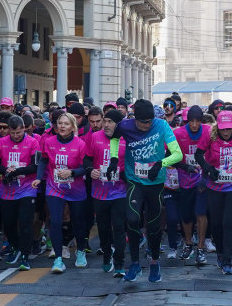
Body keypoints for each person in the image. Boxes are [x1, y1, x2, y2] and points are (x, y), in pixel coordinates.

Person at [112, 99, 184, 283]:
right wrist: (113, 159)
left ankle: (154, 261)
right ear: (135, 119)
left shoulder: (161, 125)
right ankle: (135, 263)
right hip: (135, 180)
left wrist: (161, 163)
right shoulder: (125, 126)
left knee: (153, 225)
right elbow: (114, 137)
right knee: (133, 219)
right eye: (144, 122)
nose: (147, 125)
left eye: (150, 121)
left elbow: (178, 154)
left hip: (155, 182)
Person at [196, 110, 232, 275]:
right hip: (215, 186)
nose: (225, 132)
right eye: (222, 129)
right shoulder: (210, 137)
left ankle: (227, 260)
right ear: (217, 127)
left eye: (228, 128)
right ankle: (220, 253)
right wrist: (208, 169)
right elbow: (198, 155)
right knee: (217, 223)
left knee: (228, 222)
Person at [38, 112, 92, 273]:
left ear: (73, 127)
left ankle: (81, 251)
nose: (62, 126)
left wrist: (72, 173)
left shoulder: (80, 144)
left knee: (78, 222)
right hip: (55, 187)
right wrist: (39, 177)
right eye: (60, 123)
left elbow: (86, 168)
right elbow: (43, 160)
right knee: (55, 221)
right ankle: (59, 258)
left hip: (76, 189)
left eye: (66, 124)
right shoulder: (48, 142)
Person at [0, 115, 41, 271]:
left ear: (23, 128)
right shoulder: (2, 142)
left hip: (27, 189)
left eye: (18, 133)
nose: (15, 136)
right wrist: (6, 171)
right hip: (8, 191)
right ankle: (15, 246)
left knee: (25, 223)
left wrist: (17, 171)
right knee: (9, 223)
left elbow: (35, 166)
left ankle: (25, 255)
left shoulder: (33, 142)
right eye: (12, 133)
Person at [90, 110, 127, 275]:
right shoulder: (95, 137)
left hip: (120, 192)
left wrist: (124, 174)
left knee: (119, 228)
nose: (105, 125)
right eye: (104, 121)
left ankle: (119, 263)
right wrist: (91, 170)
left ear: (118, 124)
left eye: (110, 122)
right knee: (104, 229)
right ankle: (107, 254)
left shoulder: (127, 140)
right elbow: (86, 159)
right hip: (100, 192)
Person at [173, 106, 211, 263]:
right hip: (185, 180)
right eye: (191, 121)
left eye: (198, 121)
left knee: (201, 213)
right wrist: (185, 167)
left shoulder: (209, 131)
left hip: (203, 180)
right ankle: (188, 244)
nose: (194, 125)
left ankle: (201, 247)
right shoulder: (178, 133)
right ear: (187, 121)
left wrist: (207, 172)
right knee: (186, 215)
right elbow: (171, 156)